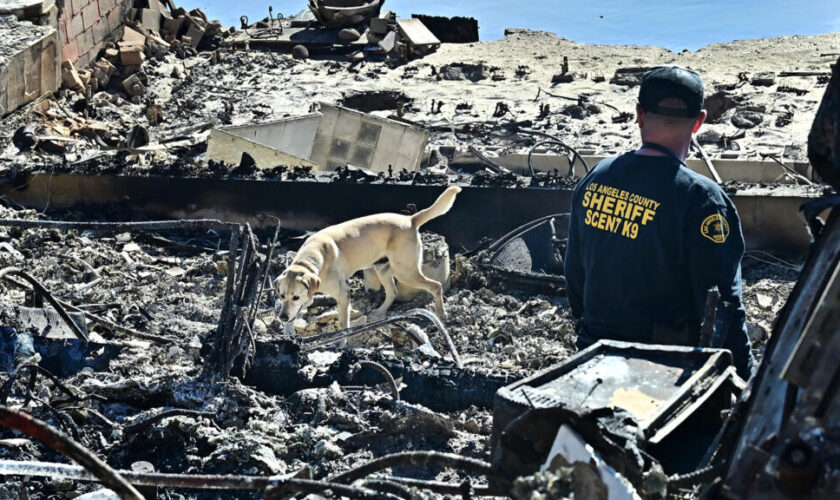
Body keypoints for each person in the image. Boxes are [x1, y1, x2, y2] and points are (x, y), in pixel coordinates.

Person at [564, 65, 753, 379]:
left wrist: (589, 336)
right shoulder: (703, 200)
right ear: (699, 122)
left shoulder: (595, 179)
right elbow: (725, 307)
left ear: (639, 114)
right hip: (663, 373)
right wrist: (745, 382)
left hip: (594, 360)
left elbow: (575, 277)